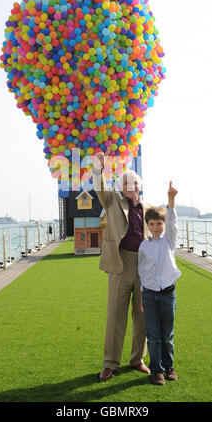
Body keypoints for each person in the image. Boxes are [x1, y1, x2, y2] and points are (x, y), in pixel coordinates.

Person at [93, 148, 151, 382]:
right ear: (121, 186)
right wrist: (99, 167)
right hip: (121, 262)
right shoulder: (112, 201)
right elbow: (100, 187)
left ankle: (137, 359)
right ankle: (110, 364)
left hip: (144, 267)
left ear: (139, 186)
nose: (130, 186)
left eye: (134, 182)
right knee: (116, 316)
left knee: (142, 316)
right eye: (126, 182)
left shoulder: (148, 208)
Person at [138, 181, 181, 386]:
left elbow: (173, 221)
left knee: (167, 334)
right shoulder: (143, 246)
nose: (155, 227)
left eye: (159, 223)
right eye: (152, 224)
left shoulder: (169, 240)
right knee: (153, 335)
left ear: (163, 224)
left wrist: (171, 200)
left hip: (167, 293)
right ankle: (157, 371)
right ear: (147, 225)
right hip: (149, 294)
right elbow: (142, 271)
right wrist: (141, 295)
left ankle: (169, 366)